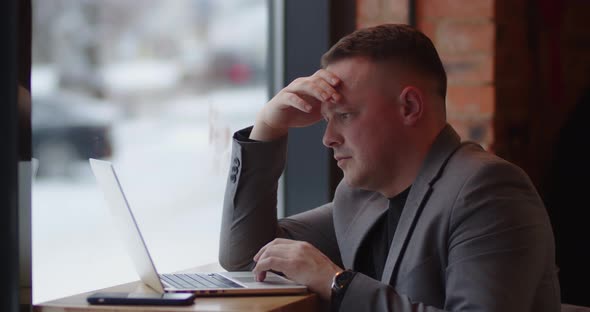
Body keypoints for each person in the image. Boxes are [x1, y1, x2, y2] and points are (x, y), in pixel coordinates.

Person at [219, 24, 560, 311]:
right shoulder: (358, 197)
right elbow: (246, 255)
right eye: (326, 119)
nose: (328, 138)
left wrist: (335, 283)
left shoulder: (489, 190)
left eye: (345, 116)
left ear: (409, 106)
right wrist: (268, 127)